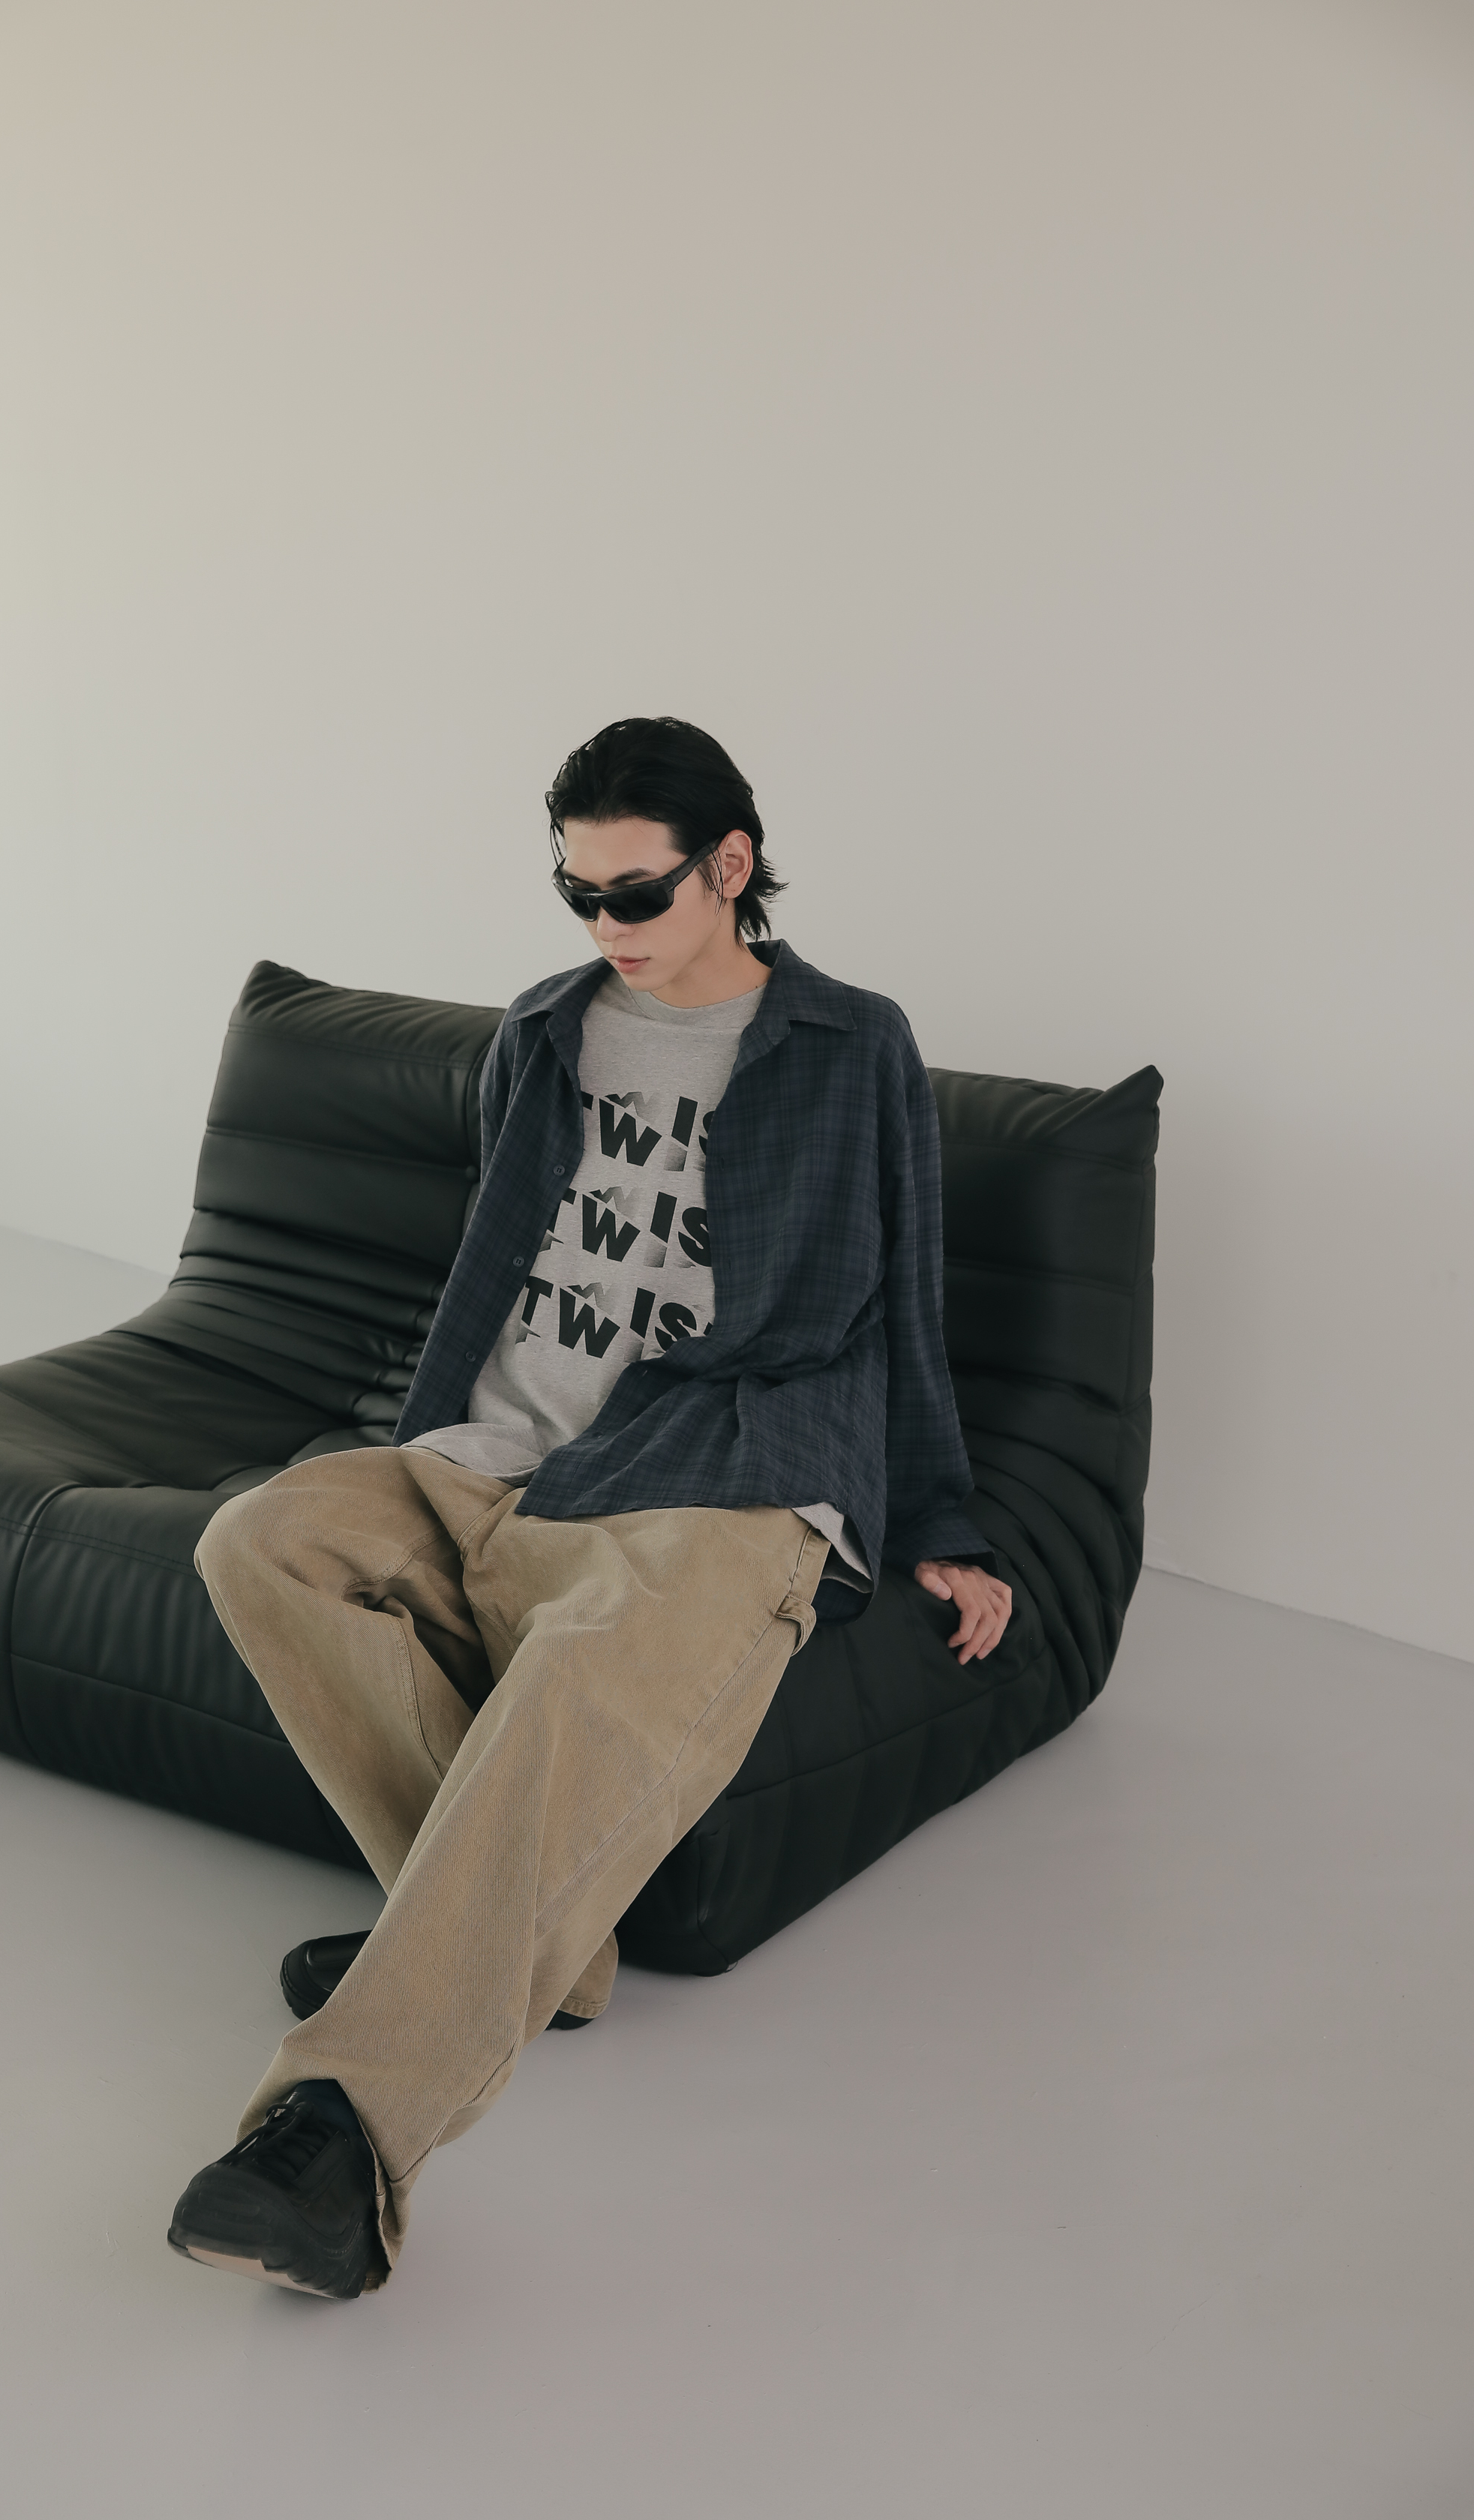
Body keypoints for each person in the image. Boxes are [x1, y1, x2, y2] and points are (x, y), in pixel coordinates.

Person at [167, 716, 1012, 2298]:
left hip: (723, 1473)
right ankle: (537, 1958)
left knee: (579, 1675)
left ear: (731, 866)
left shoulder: (851, 1045)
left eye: (635, 894)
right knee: (255, 1539)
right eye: (577, 894)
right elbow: (501, 1262)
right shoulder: (544, 1029)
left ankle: (341, 2138)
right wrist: (437, 1443)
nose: (603, 926)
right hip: (497, 1458)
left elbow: (908, 1300)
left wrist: (943, 1526)